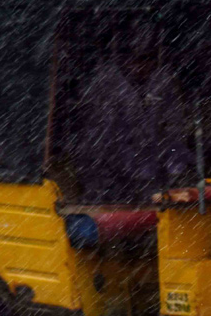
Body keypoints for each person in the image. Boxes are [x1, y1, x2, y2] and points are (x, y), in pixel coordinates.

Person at [73, 23, 193, 202]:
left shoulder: (162, 82)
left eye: (148, 60)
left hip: (151, 173)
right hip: (109, 178)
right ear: (124, 59)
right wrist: (140, 179)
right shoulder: (106, 85)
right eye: (137, 59)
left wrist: (175, 168)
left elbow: (175, 128)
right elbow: (104, 141)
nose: (142, 66)